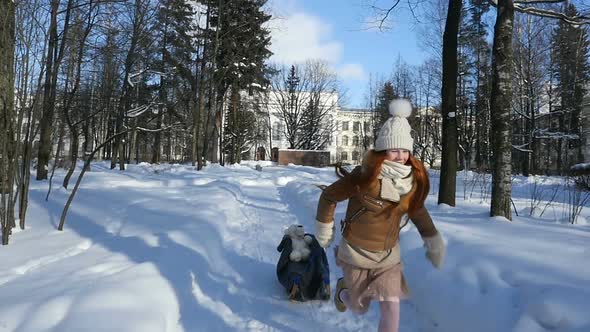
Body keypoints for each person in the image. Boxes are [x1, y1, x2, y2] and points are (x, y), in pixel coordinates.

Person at [314, 98, 446, 332]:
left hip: (388, 257)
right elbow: (329, 197)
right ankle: (343, 291)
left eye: (405, 150)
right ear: (383, 150)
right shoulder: (363, 178)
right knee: (359, 306)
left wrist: (433, 241)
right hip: (356, 252)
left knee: (391, 308)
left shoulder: (409, 184)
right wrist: (325, 228)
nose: (400, 156)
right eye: (394, 150)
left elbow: (418, 212)